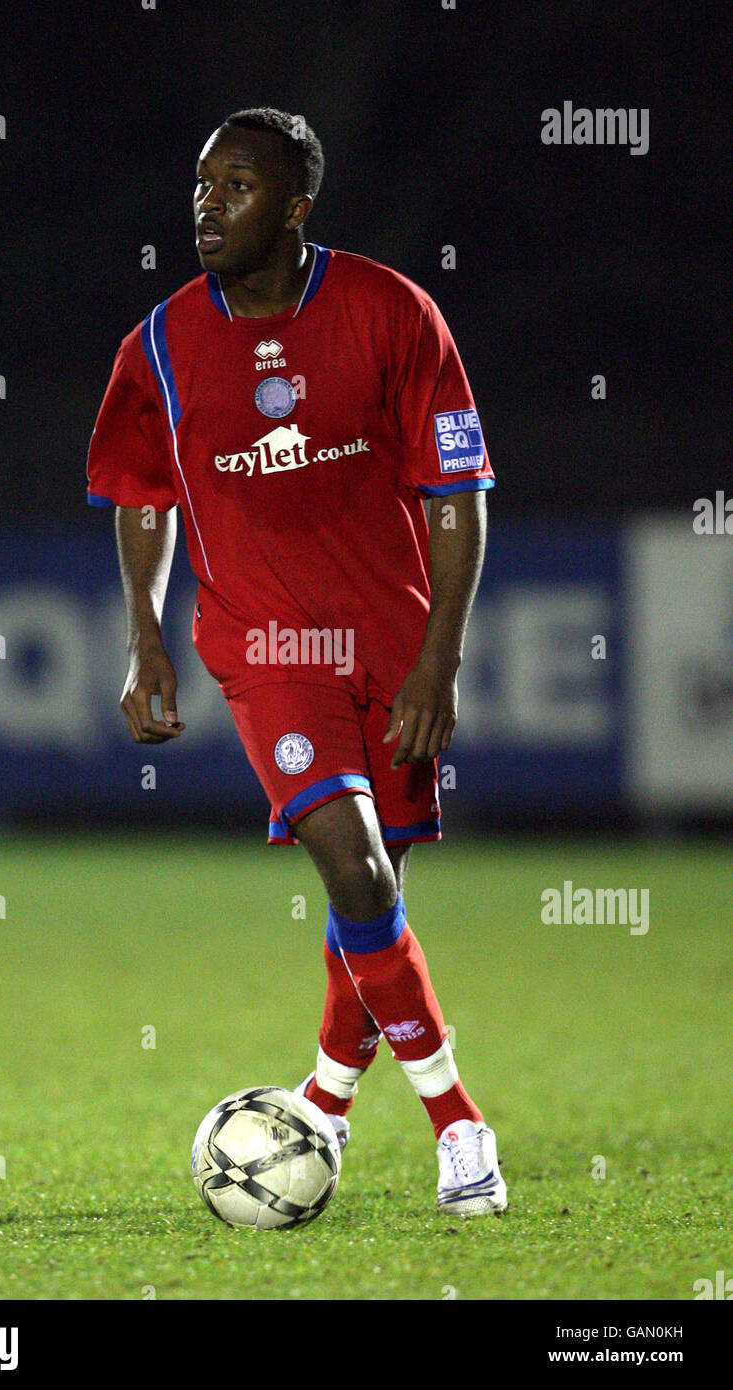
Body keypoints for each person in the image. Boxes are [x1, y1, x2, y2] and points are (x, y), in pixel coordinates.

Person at [86, 107, 505, 1216]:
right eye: (199, 183)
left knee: (375, 898)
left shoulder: (390, 310)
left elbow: (455, 496)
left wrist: (437, 662)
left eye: (234, 186)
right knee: (355, 870)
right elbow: (139, 492)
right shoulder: (160, 344)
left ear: (296, 206)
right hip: (265, 648)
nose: (206, 203)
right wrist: (146, 635)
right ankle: (458, 1126)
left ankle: (322, 1099)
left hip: (391, 641)